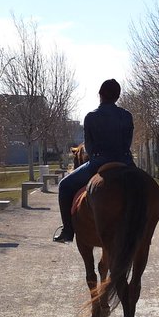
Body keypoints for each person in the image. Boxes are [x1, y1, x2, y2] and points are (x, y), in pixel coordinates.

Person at [53, 79, 135, 243]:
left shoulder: (90, 117)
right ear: (118, 97)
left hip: (98, 164)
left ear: (100, 95)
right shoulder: (127, 116)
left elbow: (89, 148)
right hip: (125, 163)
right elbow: (128, 143)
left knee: (65, 186)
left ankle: (68, 231)